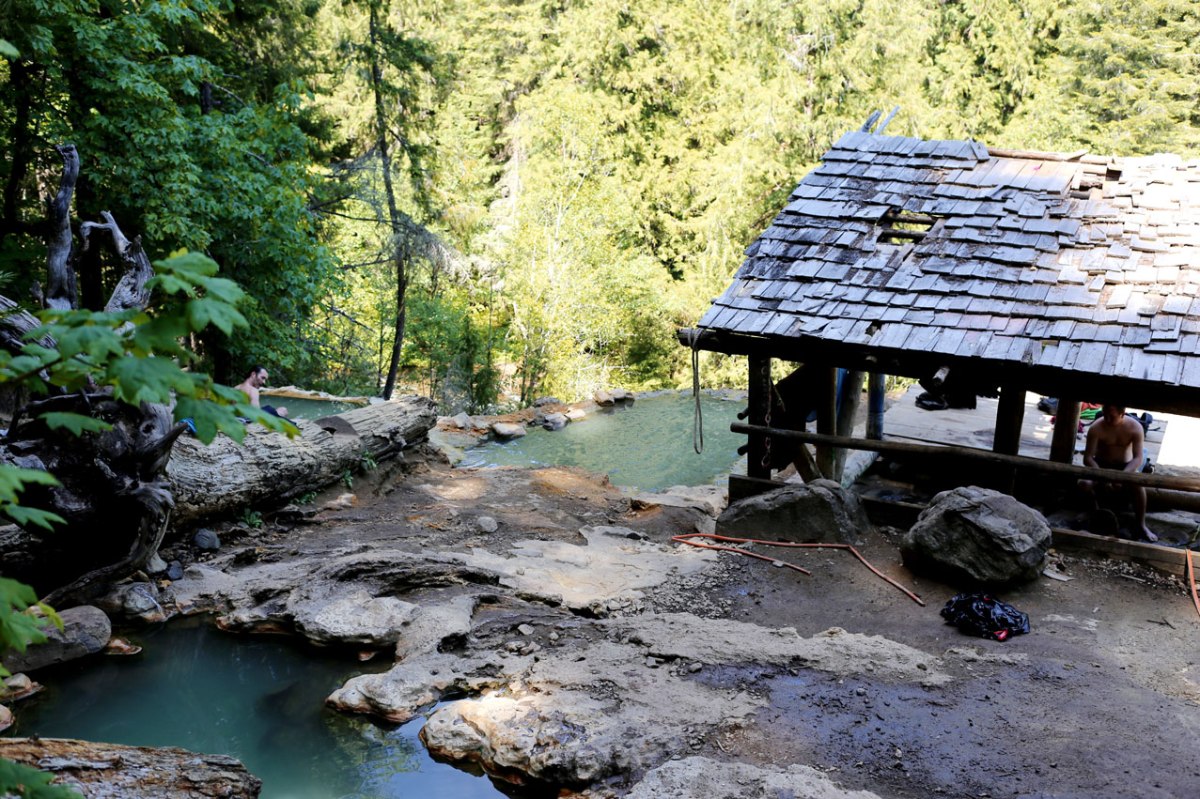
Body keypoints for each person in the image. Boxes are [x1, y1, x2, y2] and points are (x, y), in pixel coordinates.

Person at [1079, 404, 1155, 542]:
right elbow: (1088, 458)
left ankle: (1141, 524)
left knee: (1139, 484)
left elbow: (1138, 458)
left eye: (1111, 416)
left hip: (1125, 466)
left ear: (1122, 413)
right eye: (1105, 414)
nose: (1107, 419)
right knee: (1084, 483)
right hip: (1101, 465)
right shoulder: (1096, 427)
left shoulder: (1135, 427)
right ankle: (1093, 513)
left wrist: (1122, 476)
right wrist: (1103, 476)